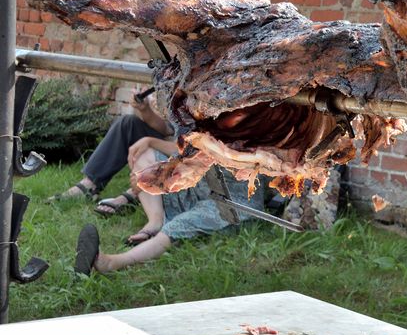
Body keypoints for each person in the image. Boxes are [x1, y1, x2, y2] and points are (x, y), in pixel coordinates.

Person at [72, 133, 265, 275]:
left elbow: (205, 154)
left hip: (232, 205)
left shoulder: (243, 120)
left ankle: (112, 263)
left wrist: (153, 147)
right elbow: (188, 152)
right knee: (146, 155)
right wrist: (151, 172)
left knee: (178, 226)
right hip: (201, 188)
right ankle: (155, 222)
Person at [48, 86, 173, 215]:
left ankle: (135, 193)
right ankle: (90, 185)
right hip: (172, 144)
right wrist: (145, 110)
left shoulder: (194, 92)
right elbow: (168, 129)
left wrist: (150, 141)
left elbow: (188, 147)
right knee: (127, 123)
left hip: (187, 157)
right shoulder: (181, 79)